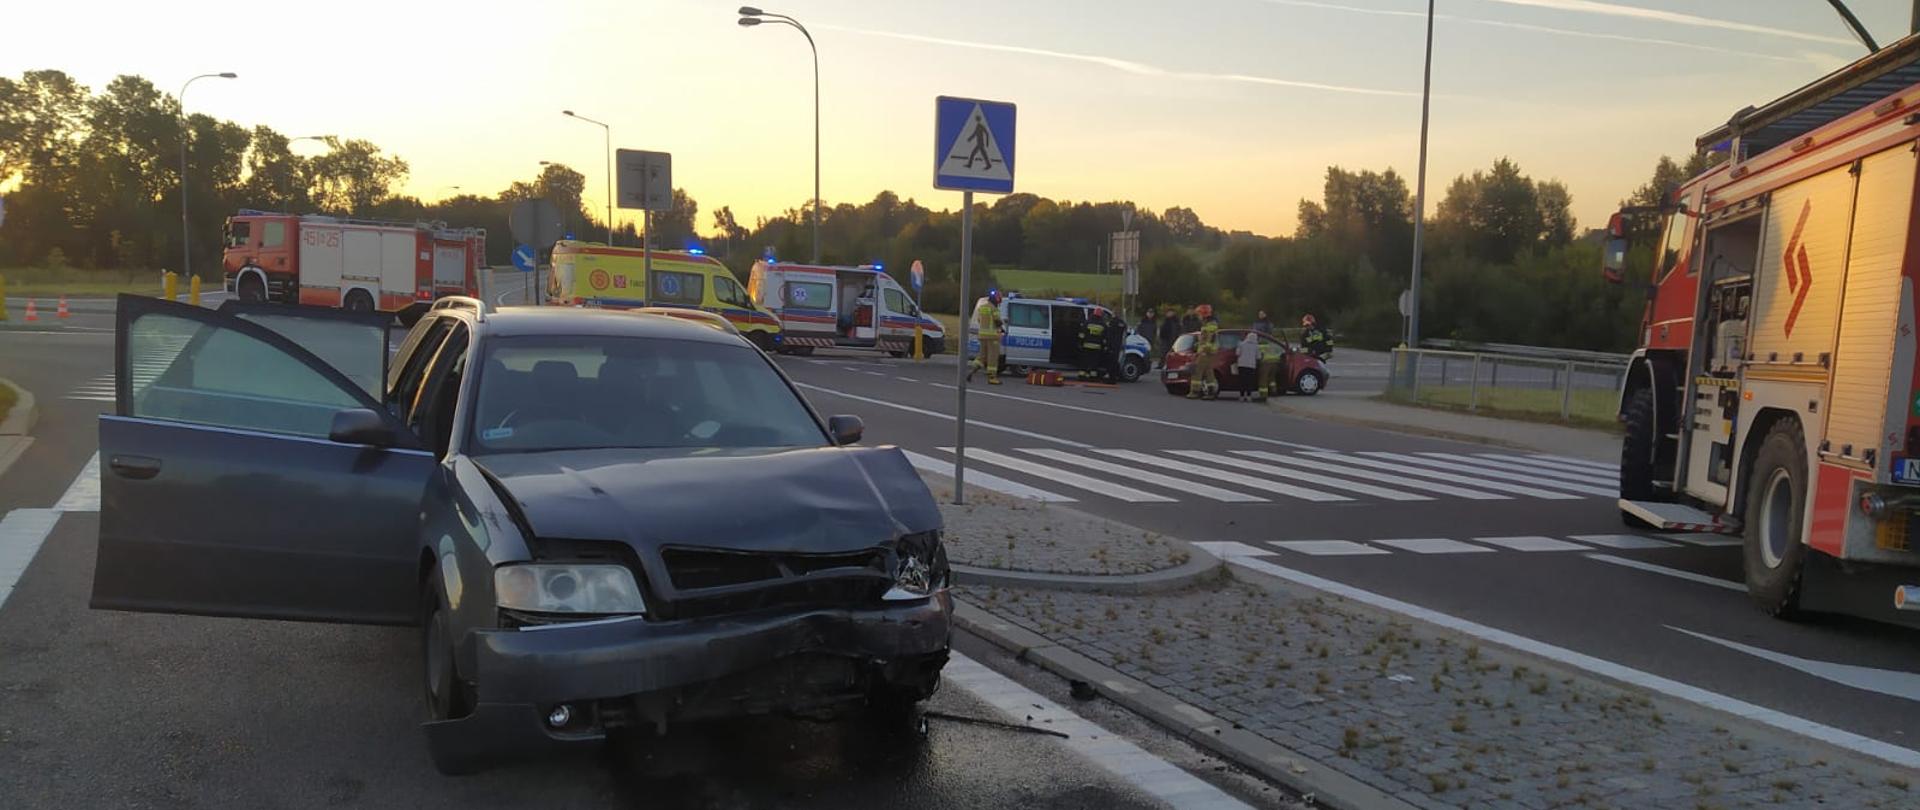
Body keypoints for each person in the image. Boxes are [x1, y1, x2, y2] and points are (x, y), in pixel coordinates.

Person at [967, 290, 1005, 385]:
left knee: (981, 357)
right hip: (992, 337)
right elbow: (997, 321)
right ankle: (992, 377)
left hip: (982, 335)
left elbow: (980, 320)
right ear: (997, 299)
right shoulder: (994, 309)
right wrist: (1002, 326)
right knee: (993, 357)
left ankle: (971, 371)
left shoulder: (982, 307)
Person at [1187, 321, 1220, 400]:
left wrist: (1201, 349)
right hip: (1210, 355)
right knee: (1209, 374)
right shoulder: (1214, 332)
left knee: (1197, 373)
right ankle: (1211, 392)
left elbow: (1205, 343)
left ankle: (1195, 392)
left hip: (1204, 354)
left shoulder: (1206, 331)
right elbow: (1213, 345)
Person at [1078, 307, 1108, 378]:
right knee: (1094, 363)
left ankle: (1082, 375)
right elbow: (1105, 338)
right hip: (1097, 347)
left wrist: (1080, 343)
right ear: (1101, 315)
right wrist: (1104, 346)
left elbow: (1082, 334)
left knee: (1085, 361)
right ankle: (1092, 376)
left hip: (1086, 346)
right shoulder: (1103, 324)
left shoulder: (1087, 322)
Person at [1254, 335, 1283, 402]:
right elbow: (1281, 352)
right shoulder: (1273, 345)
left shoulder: (1260, 346)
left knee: (1263, 379)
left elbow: (1258, 356)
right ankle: (1274, 391)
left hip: (1266, 363)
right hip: (1275, 363)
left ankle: (1263, 395)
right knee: (1272, 378)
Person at [1234, 332, 1260, 401]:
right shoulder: (1256, 346)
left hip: (1241, 365)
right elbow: (1258, 357)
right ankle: (1248, 396)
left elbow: (1237, 353)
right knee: (1249, 381)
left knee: (1242, 381)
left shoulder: (1241, 344)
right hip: (1251, 366)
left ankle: (1242, 396)